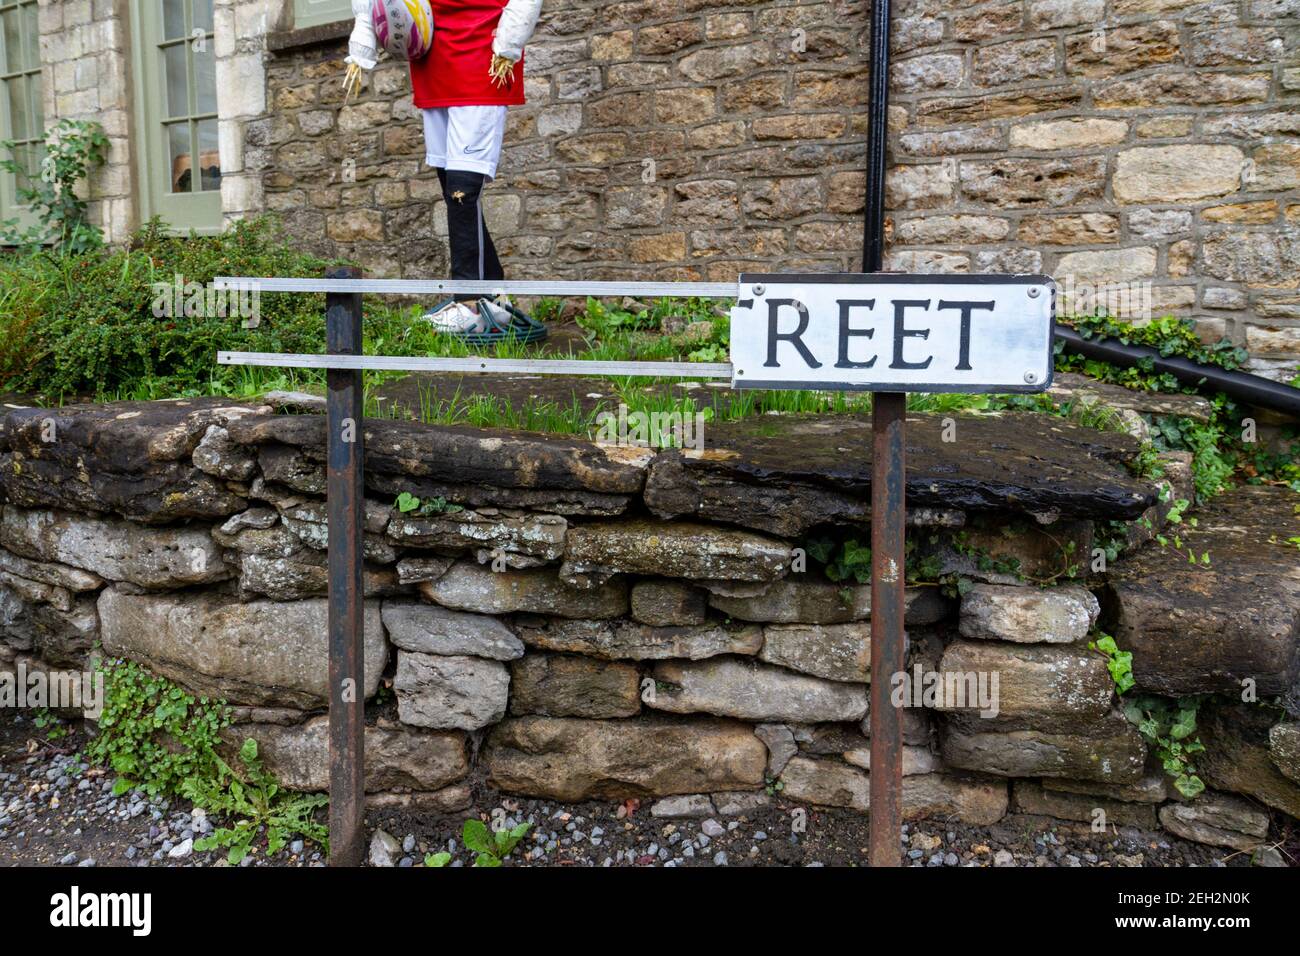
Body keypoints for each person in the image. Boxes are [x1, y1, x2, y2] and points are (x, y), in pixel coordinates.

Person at [347, 0, 544, 336]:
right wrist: (363, 43)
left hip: (483, 59)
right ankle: (493, 300)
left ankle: (469, 304)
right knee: (452, 187)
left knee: (463, 192)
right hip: (432, 65)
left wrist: (509, 44)